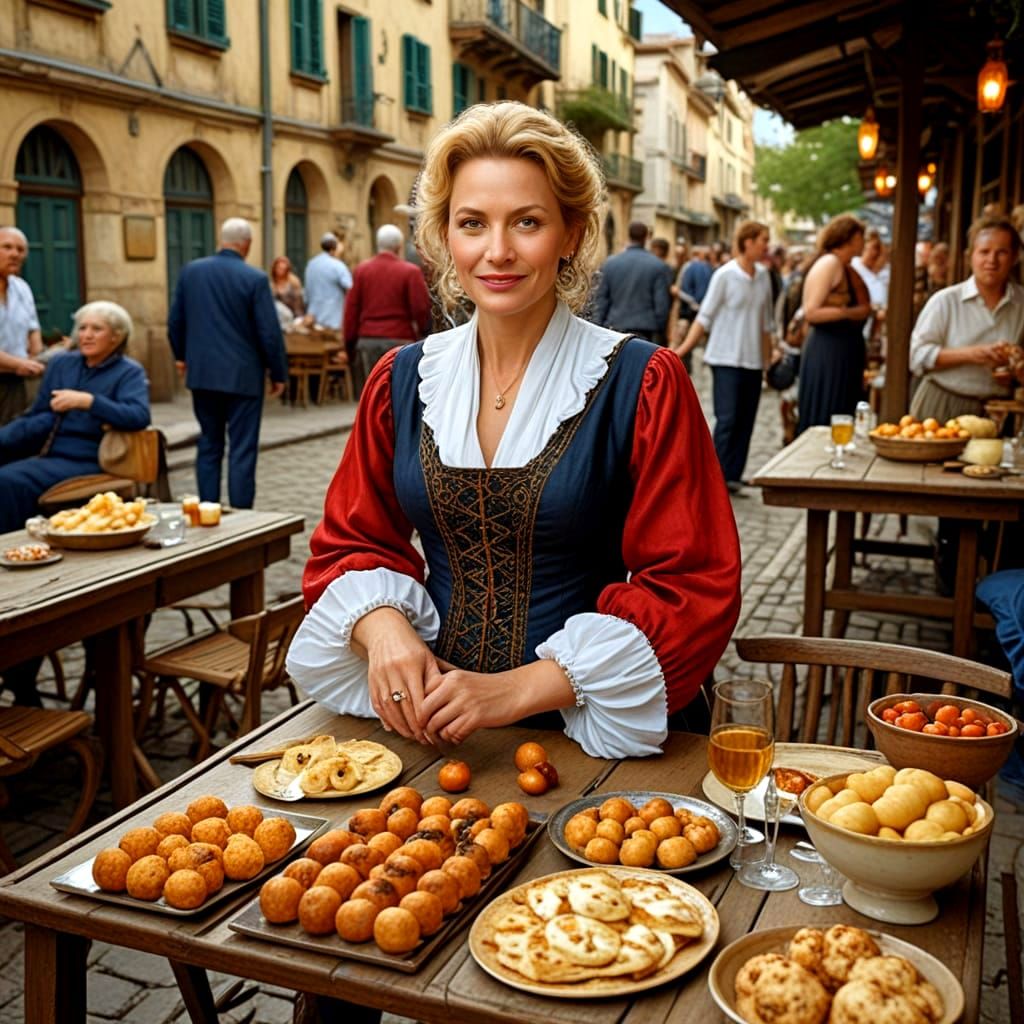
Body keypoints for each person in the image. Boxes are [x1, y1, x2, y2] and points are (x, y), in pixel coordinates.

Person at [286, 101, 741, 762]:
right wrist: (384, 631)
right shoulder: (402, 380)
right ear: (444, 235)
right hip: (433, 726)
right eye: (472, 223)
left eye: (526, 222)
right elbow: (352, 539)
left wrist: (517, 689)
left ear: (571, 232)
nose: (497, 252)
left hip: (597, 727)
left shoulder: (643, 382)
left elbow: (692, 587)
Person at [167, 217, 287, 509]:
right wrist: (278, 373)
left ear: (221, 240)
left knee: (208, 443)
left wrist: (182, 357)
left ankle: (208, 506)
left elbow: (175, 322)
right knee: (242, 448)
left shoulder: (191, 272)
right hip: (243, 377)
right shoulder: (254, 279)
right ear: (246, 245)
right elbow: (268, 333)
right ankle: (241, 511)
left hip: (203, 374)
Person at [0, 300, 149, 533]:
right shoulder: (62, 364)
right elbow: (39, 414)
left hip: (92, 459)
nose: (86, 335)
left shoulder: (128, 371)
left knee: (8, 481)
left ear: (116, 337)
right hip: (49, 452)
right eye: (82, 328)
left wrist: (89, 402)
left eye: (96, 329)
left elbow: (139, 415)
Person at [675, 221, 774, 492]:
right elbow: (704, 316)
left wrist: (768, 359)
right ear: (748, 242)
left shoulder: (764, 276)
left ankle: (733, 474)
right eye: (763, 239)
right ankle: (713, 477)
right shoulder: (725, 275)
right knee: (728, 419)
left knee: (746, 420)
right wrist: (682, 350)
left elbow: (767, 322)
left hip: (753, 360)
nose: (767, 245)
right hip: (725, 358)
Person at [909, 215, 1024, 421]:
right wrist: (972, 354)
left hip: (999, 412)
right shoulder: (946, 301)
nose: (992, 260)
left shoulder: (1021, 304)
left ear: (1015, 257)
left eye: (1002, 252)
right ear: (970, 256)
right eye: (984, 252)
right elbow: (917, 356)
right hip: (942, 404)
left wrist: (1015, 372)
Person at [795, 215, 872, 434]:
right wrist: (848, 312)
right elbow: (812, 311)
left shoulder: (841, 264)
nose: (863, 242)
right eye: (861, 237)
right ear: (849, 238)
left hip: (839, 351)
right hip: (830, 352)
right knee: (827, 414)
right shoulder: (830, 263)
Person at [343, 224, 432, 397]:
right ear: (399, 246)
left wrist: (349, 343)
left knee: (371, 398)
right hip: (400, 339)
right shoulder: (410, 272)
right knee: (399, 396)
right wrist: (423, 333)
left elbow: (351, 309)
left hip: (368, 340)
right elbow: (420, 309)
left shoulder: (362, 271)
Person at [591, 222, 672, 342]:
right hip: (644, 331)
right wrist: (659, 331)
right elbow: (662, 306)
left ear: (629, 236)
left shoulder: (610, 264)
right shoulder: (658, 266)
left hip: (614, 328)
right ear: (646, 238)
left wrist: (598, 327)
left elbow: (601, 299)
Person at [0, 226, 44, 424]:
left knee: (11, 440)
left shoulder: (22, 288)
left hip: (14, 382)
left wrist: (38, 358)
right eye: (7, 247)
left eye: (20, 249)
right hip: (15, 368)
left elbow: (33, 330)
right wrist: (21, 363)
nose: (15, 254)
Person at [304, 233, 352, 331]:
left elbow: (307, 291)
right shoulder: (338, 265)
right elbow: (350, 288)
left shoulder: (311, 264)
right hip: (334, 319)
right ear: (335, 247)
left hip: (314, 317)